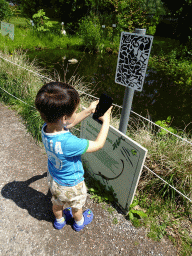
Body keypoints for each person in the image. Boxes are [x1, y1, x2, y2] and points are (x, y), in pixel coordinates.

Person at [35, 82, 112, 231]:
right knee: (76, 208)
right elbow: (98, 144)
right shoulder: (69, 143)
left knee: (57, 204)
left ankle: (59, 221)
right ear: (64, 117)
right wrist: (106, 120)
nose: (76, 113)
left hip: (54, 180)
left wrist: (89, 110)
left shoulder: (46, 128)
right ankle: (79, 223)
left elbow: (67, 124)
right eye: (76, 111)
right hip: (72, 184)